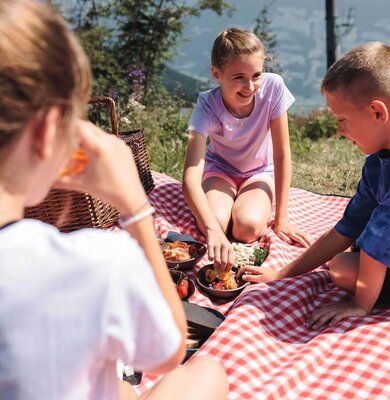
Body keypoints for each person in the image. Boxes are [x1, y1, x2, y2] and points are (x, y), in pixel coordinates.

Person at [0, 1, 229, 399]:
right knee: (206, 372)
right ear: (46, 130)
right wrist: (135, 208)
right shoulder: (92, 260)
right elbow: (168, 352)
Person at [238, 42, 390, 330]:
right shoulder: (377, 162)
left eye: (342, 120)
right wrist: (282, 274)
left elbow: (378, 241)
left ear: (377, 113)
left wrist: (360, 303)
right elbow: (349, 226)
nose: (339, 130)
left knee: (342, 269)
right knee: (342, 259)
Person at [183, 27, 311, 271]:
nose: (250, 86)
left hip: (260, 172)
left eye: (256, 75)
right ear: (216, 73)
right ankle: (226, 209)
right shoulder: (206, 107)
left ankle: (243, 205)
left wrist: (281, 218)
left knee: (248, 228)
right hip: (220, 171)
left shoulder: (273, 89)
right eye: (239, 77)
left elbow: (282, 154)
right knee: (216, 222)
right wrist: (212, 229)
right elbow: (190, 178)